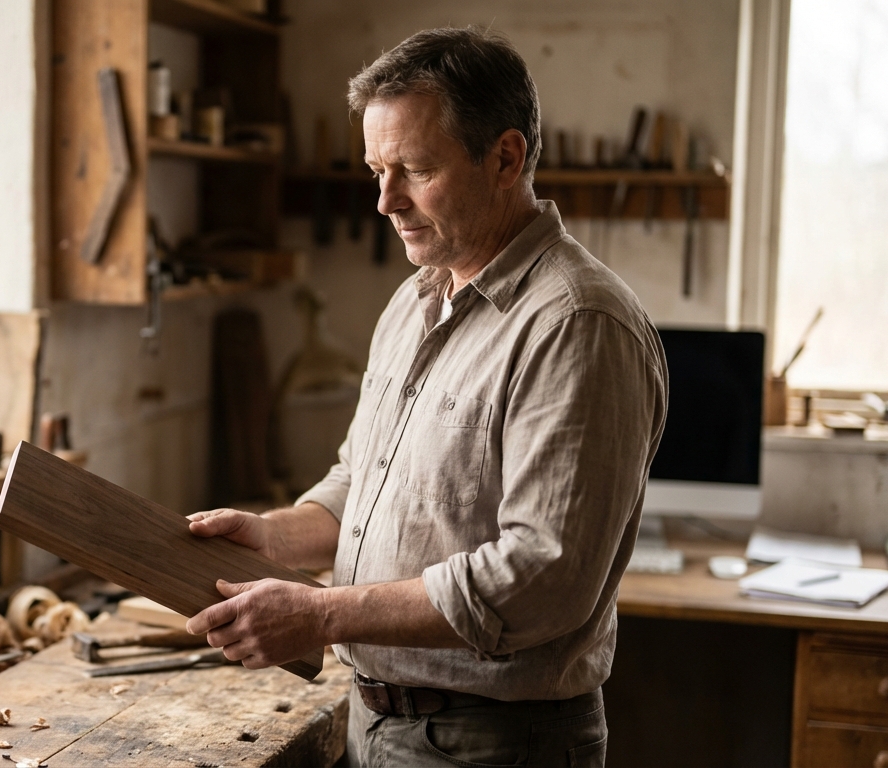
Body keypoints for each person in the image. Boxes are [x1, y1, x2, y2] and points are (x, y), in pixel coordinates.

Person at [185, 27, 668, 767]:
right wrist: (275, 536)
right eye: (377, 170)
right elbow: (364, 480)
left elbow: (541, 577)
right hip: (378, 722)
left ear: (505, 158)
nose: (385, 201)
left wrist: (319, 615)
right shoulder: (415, 301)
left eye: (413, 168)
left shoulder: (576, 324)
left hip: (496, 743)